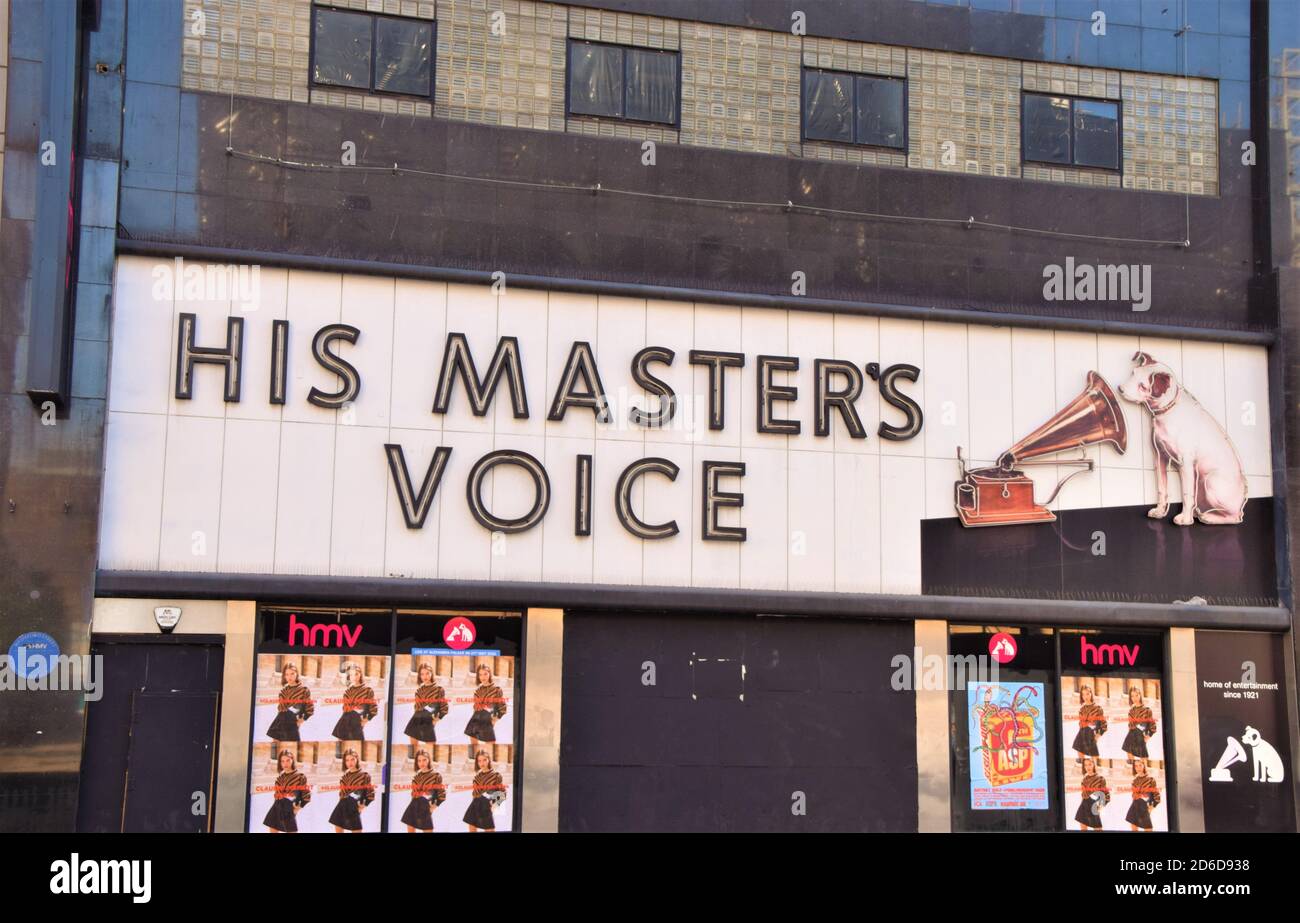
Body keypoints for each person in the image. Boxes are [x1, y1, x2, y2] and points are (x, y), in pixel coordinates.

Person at [263, 749, 310, 833]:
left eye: (288, 760)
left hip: (289, 809)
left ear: (292, 760)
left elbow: (306, 796)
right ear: (280, 763)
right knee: (272, 830)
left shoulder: (300, 776)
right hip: (276, 807)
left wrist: (297, 809)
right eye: (282, 761)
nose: (285, 763)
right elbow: (277, 795)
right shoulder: (279, 778)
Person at [328, 749, 375, 833]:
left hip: (354, 807)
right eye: (347, 760)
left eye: (352, 759)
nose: (350, 762)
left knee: (357, 830)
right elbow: (342, 794)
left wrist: (362, 807)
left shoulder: (364, 775)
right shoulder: (344, 776)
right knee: (338, 827)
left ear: (357, 759)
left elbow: (371, 793)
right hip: (342, 805)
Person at [403, 662, 449, 748]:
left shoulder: (439, 689)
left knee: (431, 746)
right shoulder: (419, 691)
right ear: (420, 676)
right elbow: (417, 708)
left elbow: (444, 707)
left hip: (429, 720)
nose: (425, 676)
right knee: (413, 746)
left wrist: (436, 719)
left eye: (427, 673)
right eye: (422, 674)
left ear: (432, 673)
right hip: (416, 719)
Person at [400, 749, 446, 833]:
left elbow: (442, 793)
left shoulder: (436, 775)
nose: (422, 763)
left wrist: (434, 807)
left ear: (429, 760)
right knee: (410, 828)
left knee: (428, 830)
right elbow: (413, 793)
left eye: (424, 760)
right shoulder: (416, 775)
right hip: (413, 805)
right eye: (419, 761)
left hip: (426, 807)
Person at [266, 662, 313, 741]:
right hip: (280, 721)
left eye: (292, 674)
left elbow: (310, 708)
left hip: (293, 722)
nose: (289, 677)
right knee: (276, 741)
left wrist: (302, 719)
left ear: (297, 674)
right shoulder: (283, 690)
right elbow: (281, 708)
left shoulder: (304, 690)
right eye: (287, 674)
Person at [332, 663, 378, 742]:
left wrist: (366, 720)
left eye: (356, 674)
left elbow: (373, 708)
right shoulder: (348, 691)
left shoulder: (368, 690)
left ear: (360, 674)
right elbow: (345, 708)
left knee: (358, 742)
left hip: (357, 721)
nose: (354, 677)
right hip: (344, 720)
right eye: (351, 675)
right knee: (341, 741)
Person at [464, 663, 507, 744]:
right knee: (473, 740)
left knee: (490, 743)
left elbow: (502, 707)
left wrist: (495, 720)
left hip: (488, 718)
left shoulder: (496, 689)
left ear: (489, 674)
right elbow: (476, 706)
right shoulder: (477, 691)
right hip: (476, 718)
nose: (483, 677)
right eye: (480, 674)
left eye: (485, 674)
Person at [463, 750, 505, 832]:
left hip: (487, 804)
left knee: (489, 829)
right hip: (475, 803)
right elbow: (475, 792)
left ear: (489, 760)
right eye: (479, 761)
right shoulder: (477, 776)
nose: (482, 763)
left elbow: (502, 792)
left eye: (484, 760)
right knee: (471, 826)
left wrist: (494, 805)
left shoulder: (496, 775)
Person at [1071, 684, 1106, 761]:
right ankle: (1084, 767)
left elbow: (1104, 724)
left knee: (1094, 755)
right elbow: (1080, 723)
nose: (1085, 696)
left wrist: (1098, 735)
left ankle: (1094, 770)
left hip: (1091, 733)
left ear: (1091, 694)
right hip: (1082, 732)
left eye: (1087, 693)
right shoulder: (1082, 709)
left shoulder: (1097, 708)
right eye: (1083, 694)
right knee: (1079, 751)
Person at [1122, 685, 1157, 761]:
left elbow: (1153, 726)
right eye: (1132, 696)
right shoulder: (1131, 710)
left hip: (1141, 736)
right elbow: (1130, 725)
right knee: (1130, 755)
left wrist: (1148, 736)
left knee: (1143, 758)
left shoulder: (1147, 710)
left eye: (1136, 695)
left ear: (1140, 695)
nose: (1135, 698)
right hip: (1131, 735)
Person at [1074, 756, 1109, 831]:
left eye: (1090, 764)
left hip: (1094, 806)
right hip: (1084, 805)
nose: (1088, 767)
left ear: (1094, 765)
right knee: (1083, 827)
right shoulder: (1084, 779)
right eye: (1085, 765)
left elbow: (1106, 795)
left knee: (1098, 829)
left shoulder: (1100, 778)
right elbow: (1083, 794)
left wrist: (1099, 807)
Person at [1126, 759, 1161, 831]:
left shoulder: (1151, 779)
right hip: (1135, 806)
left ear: (1144, 766)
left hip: (1145, 807)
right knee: (1133, 827)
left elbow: (1157, 795)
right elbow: (1133, 795)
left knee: (1148, 828)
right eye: (1136, 766)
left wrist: (1152, 807)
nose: (1138, 768)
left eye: (1140, 765)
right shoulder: (1134, 780)